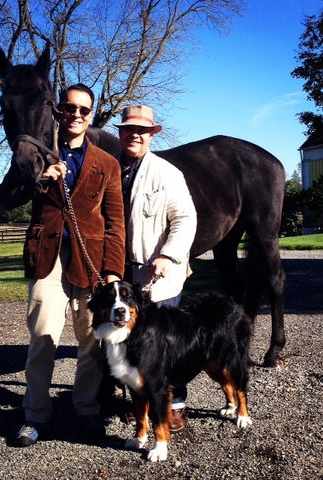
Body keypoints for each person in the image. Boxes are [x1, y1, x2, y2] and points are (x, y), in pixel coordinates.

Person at [0, 83, 126, 447]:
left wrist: (114, 270)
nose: (76, 115)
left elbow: (116, 223)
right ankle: (35, 415)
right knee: (42, 340)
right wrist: (36, 180)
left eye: (84, 110)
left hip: (91, 263)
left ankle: (85, 408)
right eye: (69, 108)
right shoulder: (35, 152)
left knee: (90, 343)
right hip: (46, 261)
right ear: (58, 110)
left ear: (91, 115)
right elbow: (4, 198)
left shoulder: (107, 164)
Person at [115, 105, 197, 432]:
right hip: (123, 278)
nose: (134, 135)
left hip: (159, 277)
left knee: (166, 349)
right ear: (120, 134)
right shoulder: (112, 169)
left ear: (151, 135)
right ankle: (140, 405)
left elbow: (185, 219)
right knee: (129, 347)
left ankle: (175, 405)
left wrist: (169, 255)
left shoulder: (167, 173)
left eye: (141, 131)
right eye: (128, 130)